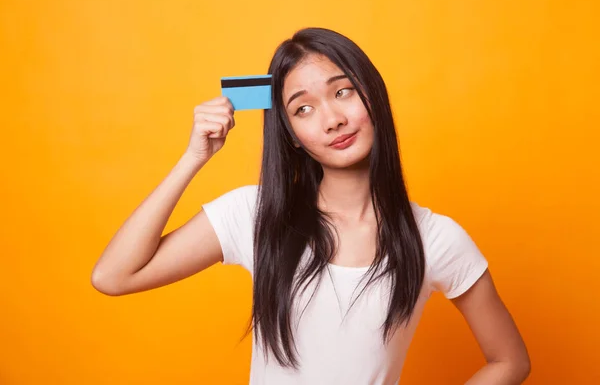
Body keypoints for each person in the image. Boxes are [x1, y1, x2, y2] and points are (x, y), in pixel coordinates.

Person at [91, 27, 531, 384]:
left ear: (372, 96)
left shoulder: (434, 237)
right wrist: (194, 159)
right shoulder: (257, 215)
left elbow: (509, 360)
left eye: (343, 92)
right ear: (291, 136)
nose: (332, 119)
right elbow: (113, 276)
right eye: (303, 109)